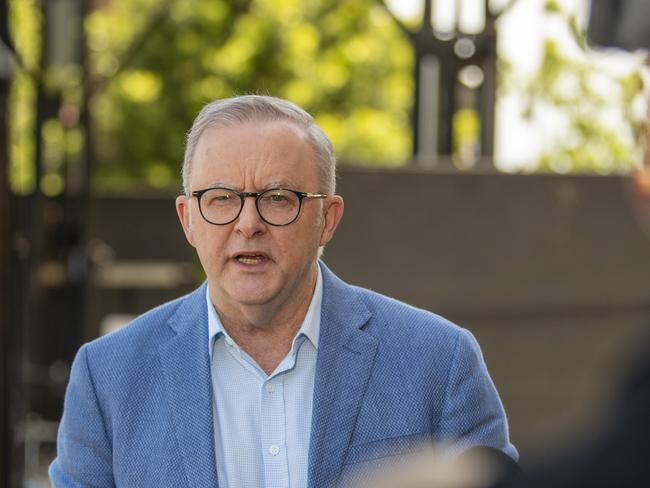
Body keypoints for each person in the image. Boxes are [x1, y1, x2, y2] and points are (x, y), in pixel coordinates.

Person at [49, 95, 517, 487]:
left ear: (327, 220)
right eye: (221, 198)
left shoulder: (438, 361)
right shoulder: (108, 378)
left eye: (277, 199)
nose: (247, 224)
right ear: (187, 219)